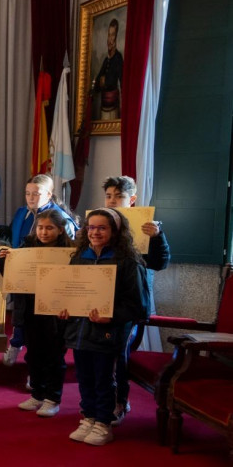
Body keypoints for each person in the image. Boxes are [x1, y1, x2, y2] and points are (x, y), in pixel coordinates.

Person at [60, 208, 148, 446]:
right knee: (84, 377)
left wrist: (111, 317)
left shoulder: (128, 262)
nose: (95, 232)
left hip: (108, 333)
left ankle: (103, 424)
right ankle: (88, 417)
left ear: (115, 231)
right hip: (79, 332)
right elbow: (70, 292)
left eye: (102, 228)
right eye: (91, 227)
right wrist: (64, 307)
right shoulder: (78, 257)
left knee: (103, 379)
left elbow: (140, 307)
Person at [103, 175, 170, 426]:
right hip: (102, 296)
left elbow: (159, 263)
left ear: (131, 200)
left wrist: (157, 237)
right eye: (108, 196)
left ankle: (121, 402)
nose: (112, 201)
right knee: (101, 352)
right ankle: (100, 401)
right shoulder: (99, 223)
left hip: (129, 302)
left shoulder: (146, 226)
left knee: (120, 354)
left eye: (118, 197)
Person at [0, 209, 75, 418]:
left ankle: (52, 398)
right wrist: (5, 261)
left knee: (54, 356)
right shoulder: (26, 246)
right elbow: (14, 277)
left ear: (60, 229)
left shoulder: (69, 251)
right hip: (30, 310)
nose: (44, 232)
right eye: (40, 227)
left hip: (56, 312)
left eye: (49, 228)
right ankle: (38, 394)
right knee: (34, 355)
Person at [3, 174, 79, 366]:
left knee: (45, 329)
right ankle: (17, 344)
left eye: (36, 194)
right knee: (22, 314)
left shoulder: (59, 218)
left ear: (49, 194)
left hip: (51, 282)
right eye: (28, 193)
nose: (31, 197)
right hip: (25, 275)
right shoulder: (22, 212)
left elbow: (68, 250)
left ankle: (29, 354)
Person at [93, 19, 123, 120]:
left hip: (113, 111)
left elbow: (123, 84)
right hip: (103, 109)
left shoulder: (118, 58)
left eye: (113, 35)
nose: (110, 39)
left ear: (116, 37)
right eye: (109, 35)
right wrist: (100, 82)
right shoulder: (106, 60)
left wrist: (106, 81)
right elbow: (97, 84)